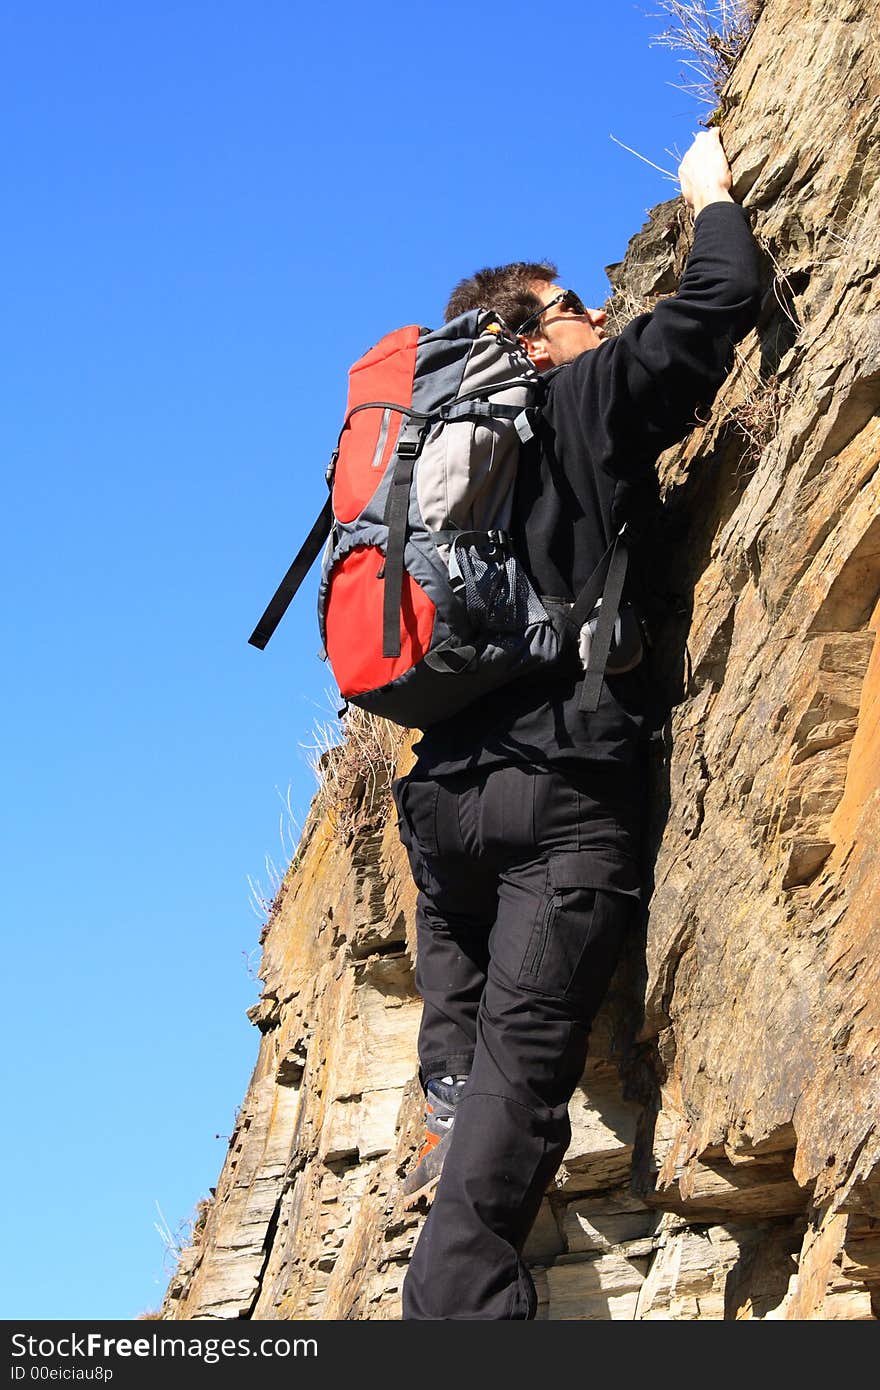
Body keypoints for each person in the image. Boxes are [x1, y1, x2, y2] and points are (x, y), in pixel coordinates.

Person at [391, 130, 762, 1320]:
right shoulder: (576, 394)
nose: (600, 315)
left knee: (465, 1067)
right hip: (559, 795)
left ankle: (447, 1139)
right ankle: (460, 1306)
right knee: (519, 1072)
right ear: (530, 335)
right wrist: (708, 197)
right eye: (579, 305)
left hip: (440, 803)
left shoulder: (432, 459)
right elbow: (720, 302)